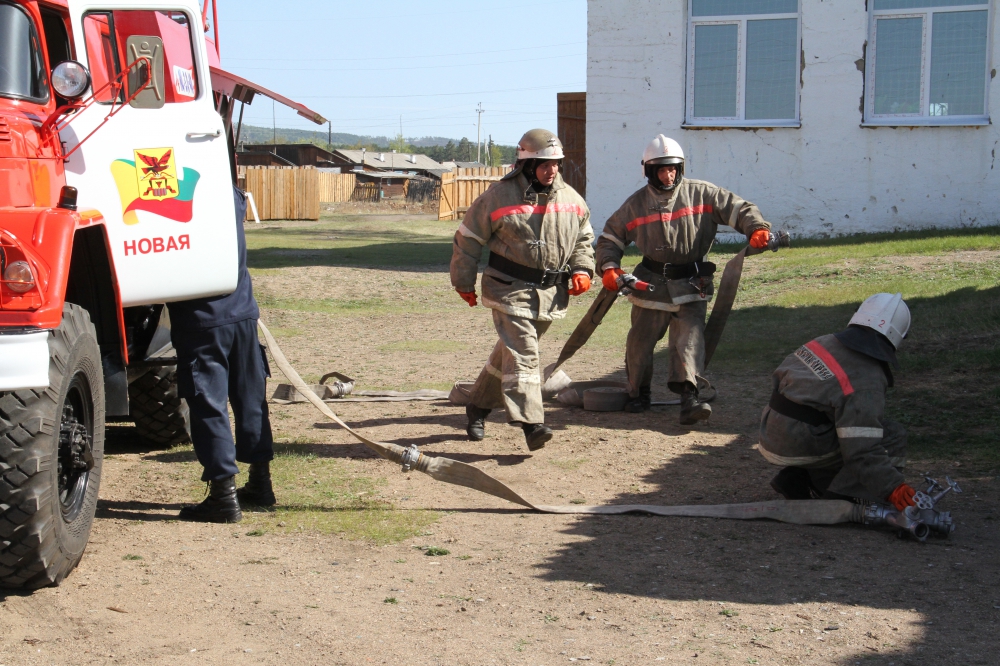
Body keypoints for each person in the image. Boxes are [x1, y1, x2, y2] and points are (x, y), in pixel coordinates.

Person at [595, 135, 772, 424]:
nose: (668, 175)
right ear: (649, 171)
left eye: (673, 169)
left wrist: (756, 228)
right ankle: (638, 393)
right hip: (650, 284)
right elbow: (610, 238)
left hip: (692, 283)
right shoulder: (635, 205)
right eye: (662, 170)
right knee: (639, 342)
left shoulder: (703, 194)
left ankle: (690, 399)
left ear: (681, 168)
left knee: (689, 341)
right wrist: (609, 267)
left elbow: (739, 209)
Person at [451, 129, 595, 451]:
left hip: (549, 295)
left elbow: (584, 239)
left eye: (555, 163)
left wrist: (583, 269)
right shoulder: (498, 196)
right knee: (525, 353)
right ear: (526, 165)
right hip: (507, 290)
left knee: (508, 355)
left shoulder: (572, 200)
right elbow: (468, 239)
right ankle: (532, 423)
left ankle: (478, 406)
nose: (551, 170)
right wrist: (463, 281)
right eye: (544, 164)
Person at [167, 187, 275, 523]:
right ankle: (260, 482)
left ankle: (223, 496)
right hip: (241, 312)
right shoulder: (228, 194)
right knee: (250, 399)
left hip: (201, 319)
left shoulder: (170, 199)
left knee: (208, 404)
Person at [758, 293, 918, 511]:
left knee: (830, 422)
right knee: (891, 434)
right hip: (801, 442)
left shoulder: (824, 342)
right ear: (898, 336)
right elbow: (862, 449)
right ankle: (841, 497)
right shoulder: (867, 378)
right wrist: (893, 487)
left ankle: (798, 478)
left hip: (770, 431)